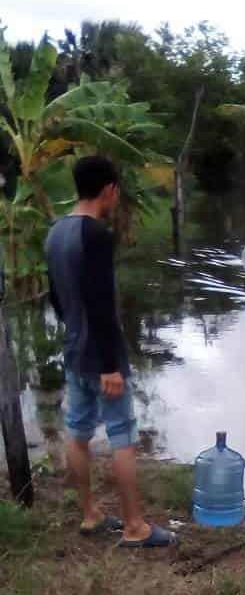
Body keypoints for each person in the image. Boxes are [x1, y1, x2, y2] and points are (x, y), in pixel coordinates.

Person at [45, 155, 176, 548]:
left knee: (78, 433)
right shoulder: (96, 235)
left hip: (73, 350)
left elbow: (56, 298)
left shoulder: (55, 233)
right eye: (117, 190)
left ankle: (90, 514)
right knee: (122, 436)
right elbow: (101, 303)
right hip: (101, 355)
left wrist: (76, 336)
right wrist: (109, 366)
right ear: (109, 189)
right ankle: (135, 526)